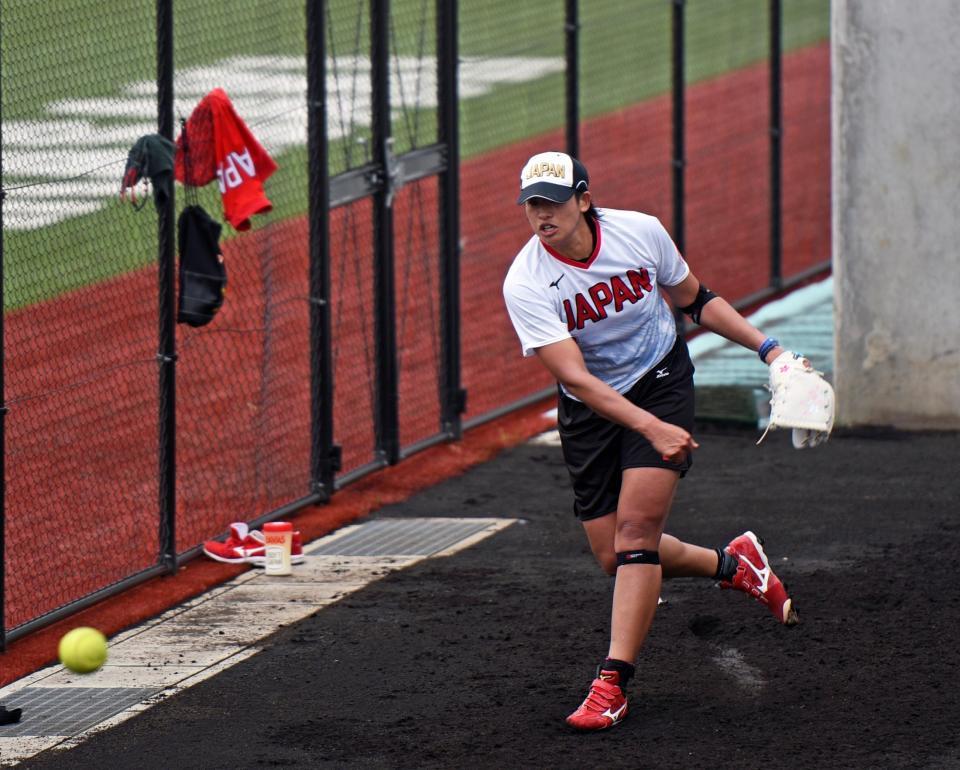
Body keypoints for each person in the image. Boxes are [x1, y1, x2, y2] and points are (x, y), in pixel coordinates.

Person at [502, 150, 799, 732]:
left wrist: (770, 350)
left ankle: (611, 685)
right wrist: (649, 428)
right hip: (594, 408)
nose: (542, 215)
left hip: (661, 379)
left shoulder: (640, 233)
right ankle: (732, 564)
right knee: (613, 553)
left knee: (637, 534)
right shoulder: (527, 281)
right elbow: (577, 379)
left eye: (554, 203)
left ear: (584, 200)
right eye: (532, 204)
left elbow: (696, 299)